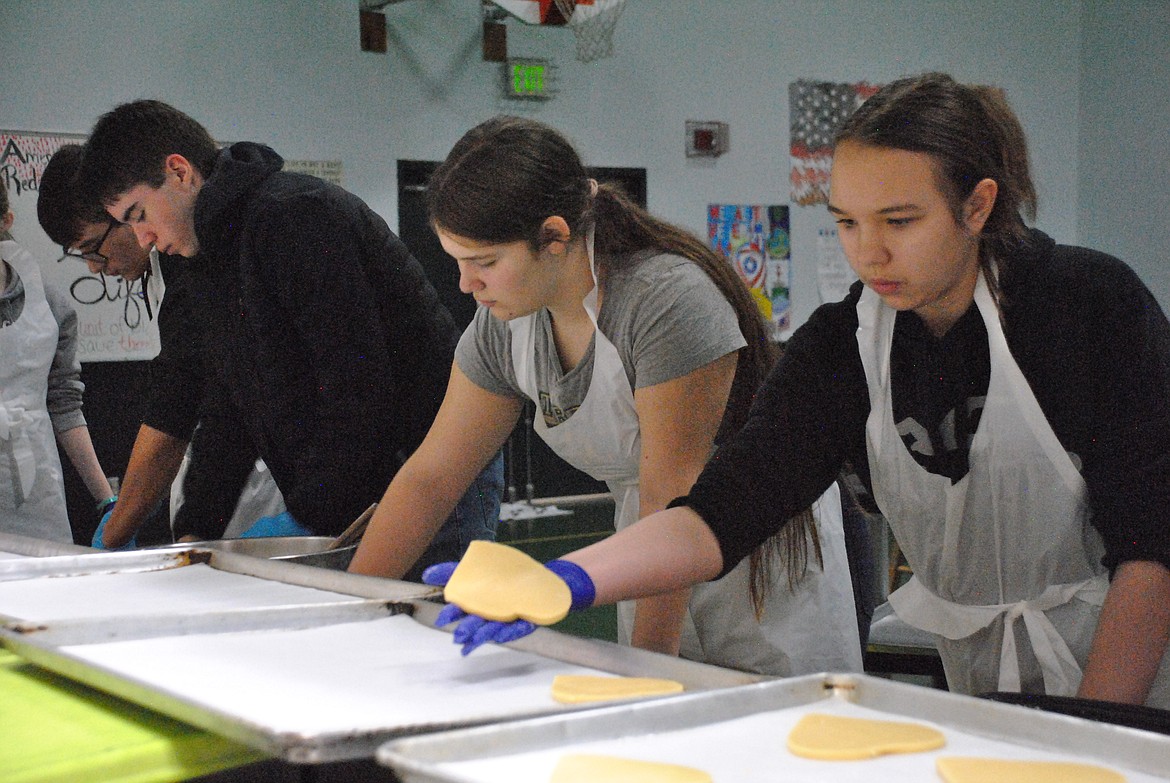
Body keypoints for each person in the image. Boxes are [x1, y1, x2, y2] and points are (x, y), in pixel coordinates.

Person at [428, 73, 1170, 709]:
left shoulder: (1087, 305)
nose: (867, 251)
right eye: (846, 221)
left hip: (1138, 667)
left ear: (977, 206)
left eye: (899, 221)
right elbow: (717, 514)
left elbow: (1151, 551)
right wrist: (569, 580)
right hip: (982, 677)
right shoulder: (845, 347)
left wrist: (1092, 733)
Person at [349, 116, 864, 676]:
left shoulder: (662, 300)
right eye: (458, 262)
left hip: (758, 559)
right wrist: (346, 610)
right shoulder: (502, 326)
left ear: (553, 237)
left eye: (485, 263)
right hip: (641, 551)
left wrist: (644, 671)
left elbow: (674, 491)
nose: (465, 285)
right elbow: (432, 477)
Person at [77, 100, 503, 578]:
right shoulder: (204, 259)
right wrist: (198, 529)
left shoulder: (296, 218)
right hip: (358, 477)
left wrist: (313, 513)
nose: (143, 239)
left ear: (179, 172)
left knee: (412, 627)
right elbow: (227, 402)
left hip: (432, 464)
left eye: (140, 214)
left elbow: (358, 387)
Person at [38, 144, 281, 549]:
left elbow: (177, 401)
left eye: (92, 248)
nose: (97, 267)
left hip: (265, 482)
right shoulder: (164, 265)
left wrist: (119, 525)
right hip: (221, 476)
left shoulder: (200, 254)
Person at [0, 182, 115, 543]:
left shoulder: (47, 300)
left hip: (34, 494)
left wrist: (108, 501)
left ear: (5, 221)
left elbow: (64, 402)